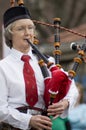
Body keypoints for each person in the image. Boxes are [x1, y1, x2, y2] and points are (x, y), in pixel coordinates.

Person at [0, 4, 78, 130]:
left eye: (30, 28)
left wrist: (65, 103)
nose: (27, 33)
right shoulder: (2, 67)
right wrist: (28, 120)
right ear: (10, 34)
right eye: (21, 29)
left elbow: (70, 85)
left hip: (44, 125)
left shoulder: (47, 62)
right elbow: (1, 109)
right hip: (13, 126)